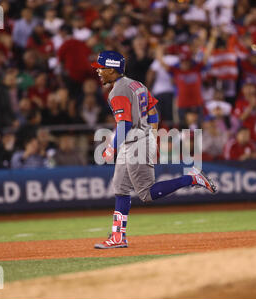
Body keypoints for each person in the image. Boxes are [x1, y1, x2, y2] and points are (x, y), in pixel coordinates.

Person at [91, 51, 216, 249]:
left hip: (135, 142)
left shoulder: (118, 91)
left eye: (101, 67)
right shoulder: (137, 84)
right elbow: (152, 111)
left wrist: (111, 148)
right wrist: (152, 135)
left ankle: (192, 178)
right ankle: (118, 237)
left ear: (112, 69)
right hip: (137, 140)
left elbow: (124, 124)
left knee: (146, 194)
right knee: (120, 188)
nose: (98, 71)